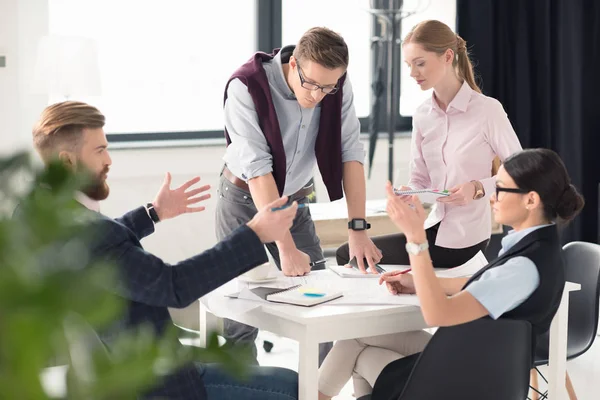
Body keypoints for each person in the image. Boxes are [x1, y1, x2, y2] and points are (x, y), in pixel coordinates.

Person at [31, 101, 299, 400]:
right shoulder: (91, 231)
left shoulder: (40, 215)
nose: (109, 159)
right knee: (295, 386)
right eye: (99, 151)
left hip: (123, 373)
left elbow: (103, 248)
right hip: (160, 387)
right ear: (68, 161)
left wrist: (153, 213)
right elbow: (174, 285)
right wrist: (255, 233)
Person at [318, 148, 585, 400]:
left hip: (468, 381)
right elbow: (487, 287)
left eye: (500, 189)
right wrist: (420, 282)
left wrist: (415, 236)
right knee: (357, 337)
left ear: (531, 200)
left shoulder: (523, 267)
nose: (492, 197)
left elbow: (439, 314)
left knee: (360, 353)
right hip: (479, 364)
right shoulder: (538, 250)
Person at [216, 26, 381, 363]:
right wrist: (285, 247)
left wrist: (358, 230)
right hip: (243, 201)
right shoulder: (246, 86)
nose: (319, 96)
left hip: (295, 202)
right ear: (294, 65)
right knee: (241, 319)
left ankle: (316, 393)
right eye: (312, 85)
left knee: (324, 308)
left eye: (328, 87)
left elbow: (350, 152)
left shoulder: (335, 83)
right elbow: (259, 170)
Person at [336, 20, 523, 270]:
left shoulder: (487, 110)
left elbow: (521, 171)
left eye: (420, 63)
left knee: (351, 256)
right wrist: (408, 193)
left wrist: (478, 188)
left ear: (447, 56)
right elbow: (420, 179)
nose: (413, 73)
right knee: (353, 254)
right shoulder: (423, 114)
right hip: (432, 228)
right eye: (409, 65)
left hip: (465, 241)